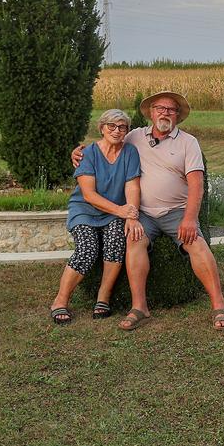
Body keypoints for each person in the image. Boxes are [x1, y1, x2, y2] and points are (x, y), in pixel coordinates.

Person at [73, 90, 224, 331]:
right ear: (151, 113)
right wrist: (78, 153)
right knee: (134, 241)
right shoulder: (135, 136)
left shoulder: (188, 142)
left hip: (176, 211)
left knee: (196, 243)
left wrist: (190, 219)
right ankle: (140, 307)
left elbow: (196, 184)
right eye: (160, 108)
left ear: (177, 115)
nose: (165, 113)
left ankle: (218, 304)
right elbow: (107, 142)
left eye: (171, 110)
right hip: (143, 212)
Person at [49, 109, 144, 323]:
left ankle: (103, 297)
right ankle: (60, 301)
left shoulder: (130, 153)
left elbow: (133, 187)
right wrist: (121, 210)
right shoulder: (87, 154)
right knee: (87, 248)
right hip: (85, 210)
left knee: (115, 243)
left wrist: (130, 214)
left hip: (115, 212)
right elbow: (89, 195)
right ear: (101, 128)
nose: (117, 131)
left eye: (122, 127)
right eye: (111, 126)